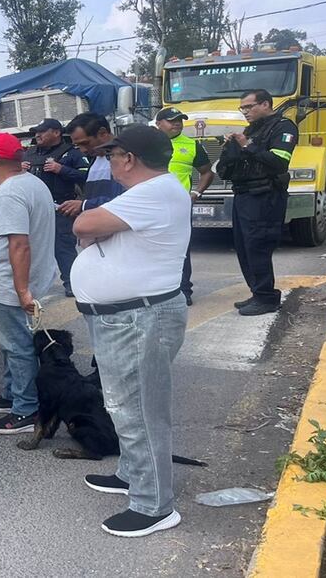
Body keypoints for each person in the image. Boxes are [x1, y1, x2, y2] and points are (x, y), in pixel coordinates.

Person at [71, 124, 190, 538]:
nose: (108, 162)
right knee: (126, 403)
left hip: (137, 318)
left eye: (112, 155)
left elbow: (83, 224)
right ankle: (132, 473)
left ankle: (153, 505)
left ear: (130, 159)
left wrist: (91, 230)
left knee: (138, 410)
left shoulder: (153, 192)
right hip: (128, 317)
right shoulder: (155, 192)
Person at [0, 133, 56, 434]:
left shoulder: (10, 193)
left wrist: (21, 290)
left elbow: (19, 244)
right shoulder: (32, 183)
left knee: (17, 345)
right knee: (12, 343)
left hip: (13, 282)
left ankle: (25, 410)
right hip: (27, 278)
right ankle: (12, 395)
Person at [217, 89, 297, 316]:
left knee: (258, 246)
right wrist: (232, 147)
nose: (245, 112)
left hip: (265, 197)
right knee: (244, 247)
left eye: (249, 106)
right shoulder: (252, 130)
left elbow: (278, 162)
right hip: (244, 195)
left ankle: (266, 299)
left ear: (265, 104)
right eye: (242, 108)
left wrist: (247, 145)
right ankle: (258, 293)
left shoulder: (283, 127)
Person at [22, 118, 89, 296]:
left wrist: (61, 170)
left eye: (42, 131)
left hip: (59, 207)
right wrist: (19, 168)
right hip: (33, 209)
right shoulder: (29, 152)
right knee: (29, 247)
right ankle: (29, 285)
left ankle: (72, 282)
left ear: (57, 133)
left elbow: (86, 175)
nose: (37, 135)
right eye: (36, 131)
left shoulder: (71, 153)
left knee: (63, 247)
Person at [155, 107, 214, 306]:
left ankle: (183, 290)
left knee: (180, 249)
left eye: (180, 120)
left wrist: (195, 194)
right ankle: (156, 289)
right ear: (159, 124)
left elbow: (207, 172)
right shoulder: (146, 144)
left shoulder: (192, 145)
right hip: (152, 205)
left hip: (179, 207)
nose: (177, 123)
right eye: (172, 120)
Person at [59, 113, 124, 218]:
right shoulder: (94, 159)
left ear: (103, 133)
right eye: (77, 145)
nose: (82, 150)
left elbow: (126, 200)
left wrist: (84, 205)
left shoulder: (125, 158)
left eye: (85, 143)